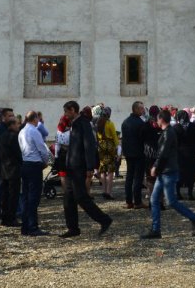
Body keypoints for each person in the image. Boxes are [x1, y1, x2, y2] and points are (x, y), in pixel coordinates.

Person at [140, 109, 195, 239]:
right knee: (154, 199)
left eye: (158, 119)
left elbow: (163, 153)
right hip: (164, 172)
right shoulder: (167, 132)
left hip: (168, 172)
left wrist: (155, 166)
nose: (156, 121)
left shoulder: (169, 133)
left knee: (171, 201)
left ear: (161, 119)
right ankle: (155, 229)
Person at [60, 100, 113, 238]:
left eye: (66, 111)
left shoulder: (83, 123)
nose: (65, 115)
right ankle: (73, 228)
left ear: (72, 110)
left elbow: (89, 146)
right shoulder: (75, 124)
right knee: (68, 198)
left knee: (81, 197)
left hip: (79, 166)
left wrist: (90, 166)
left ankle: (104, 219)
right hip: (71, 166)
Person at [18, 110, 52, 236]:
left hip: (25, 163)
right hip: (34, 164)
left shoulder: (22, 131)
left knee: (26, 196)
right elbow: (42, 149)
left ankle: (25, 226)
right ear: (35, 119)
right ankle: (33, 226)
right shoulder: (34, 131)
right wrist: (45, 162)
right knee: (34, 197)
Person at [0, 112, 22, 227]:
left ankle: (4, 218)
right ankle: (11, 218)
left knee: (5, 196)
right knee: (13, 196)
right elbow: (18, 154)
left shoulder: (3, 136)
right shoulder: (14, 137)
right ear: (12, 125)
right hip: (13, 170)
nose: (18, 127)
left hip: (4, 169)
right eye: (17, 125)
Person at [120, 101, 147, 209]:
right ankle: (137, 201)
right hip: (139, 153)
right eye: (141, 109)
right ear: (135, 109)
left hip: (128, 154)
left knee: (129, 177)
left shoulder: (125, 122)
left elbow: (124, 140)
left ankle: (128, 201)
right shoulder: (140, 123)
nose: (143, 110)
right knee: (138, 178)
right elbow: (143, 139)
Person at [175, 110, 195, 201]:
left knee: (179, 173)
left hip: (179, 154)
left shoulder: (176, 127)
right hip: (191, 153)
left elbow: (174, 142)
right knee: (191, 173)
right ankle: (190, 193)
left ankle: (178, 193)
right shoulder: (193, 126)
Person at [94, 106, 119, 201]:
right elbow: (115, 137)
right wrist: (118, 150)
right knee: (111, 170)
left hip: (100, 147)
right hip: (109, 146)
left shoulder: (98, 122)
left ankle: (104, 191)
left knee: (103, 169)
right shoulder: (109, 123)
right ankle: (109, 192)